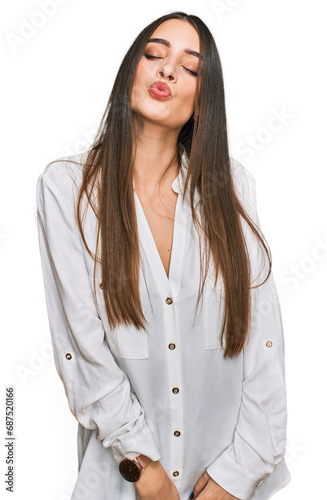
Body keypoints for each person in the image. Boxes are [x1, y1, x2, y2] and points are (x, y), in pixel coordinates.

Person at [35, 11, 291, 500]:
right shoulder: (67, 189)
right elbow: (81, 347)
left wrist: (238, 476)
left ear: (203, 99)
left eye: (190, 68)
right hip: (119, 484)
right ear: (131, 68)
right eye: (154, 54)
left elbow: (264, 344)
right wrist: (144, 467)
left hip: (227, 482)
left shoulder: (232, 188)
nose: (167, 71)